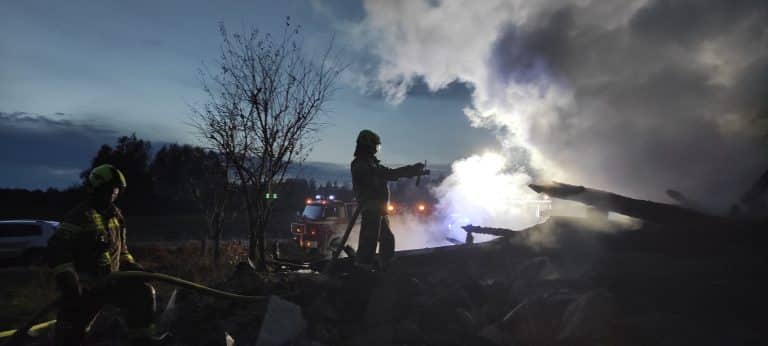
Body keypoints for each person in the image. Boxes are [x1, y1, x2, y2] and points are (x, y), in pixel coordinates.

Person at [47, 164, 156, 346]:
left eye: (116, 191)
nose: (113, 195)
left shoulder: (116, 217)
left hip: (111, 282)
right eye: (108, 190)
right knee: (71, 334)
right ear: (94, 189)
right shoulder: (79, 216)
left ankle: (142, 341)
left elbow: (122, 252)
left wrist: (134, 268)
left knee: (143, 294)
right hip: (84, 288)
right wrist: (70, 281)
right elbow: (57, 250)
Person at [350, 129, 428, 270]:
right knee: (369, 242)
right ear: (367, 145)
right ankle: (362, 271)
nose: (376, 149)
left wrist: (412, 170)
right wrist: (409, 170)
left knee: (387, 239)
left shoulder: (372, 164)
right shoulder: (360, 164)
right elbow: (385, 174)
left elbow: (390, 173)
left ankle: (386, 266)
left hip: (380, 208)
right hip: (371, 208)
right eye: (375, 146)